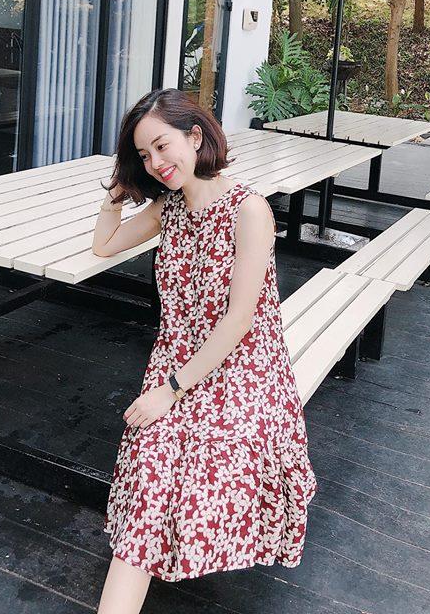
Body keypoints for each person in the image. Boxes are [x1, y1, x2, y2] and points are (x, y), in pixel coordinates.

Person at [92, 88, 317, 614]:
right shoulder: (168, 208)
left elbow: (240, 320)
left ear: (195, 137)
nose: (156, 162)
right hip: (181, 357)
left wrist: (169, 391)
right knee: (155, 458)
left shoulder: (249, 210)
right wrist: (116, 191)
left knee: (185, 451)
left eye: (162, 146)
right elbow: (104, 245)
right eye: (144, 155)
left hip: (244, 367)